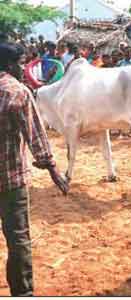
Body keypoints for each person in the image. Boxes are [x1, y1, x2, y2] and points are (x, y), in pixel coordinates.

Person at [0, 42, 68, 296]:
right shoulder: (17, 91)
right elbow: (35, 136)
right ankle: (23, 293)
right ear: (9, 65)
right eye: (19, 63)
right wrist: (52, 170)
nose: (22, 68)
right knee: (18, 240)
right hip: (11, 181)